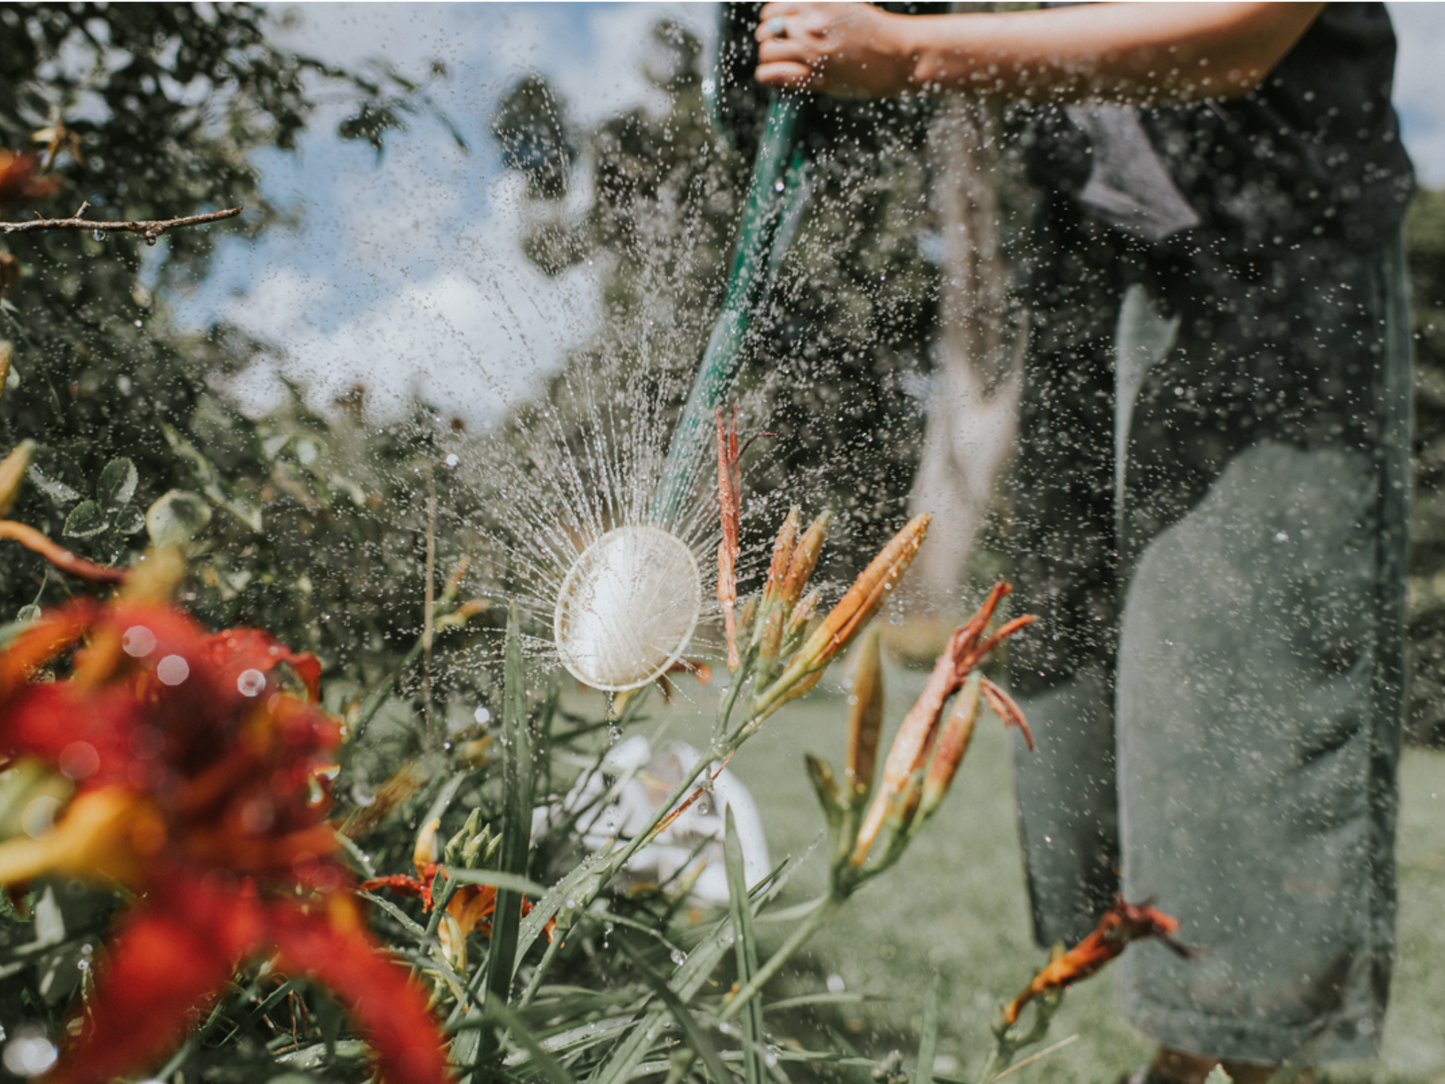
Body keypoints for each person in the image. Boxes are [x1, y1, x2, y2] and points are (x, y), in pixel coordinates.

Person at [753, 5, 1415, 1084]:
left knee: (1242, 730)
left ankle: (1248, 1055)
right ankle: (1179, 1052)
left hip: (1270, 243)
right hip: (1095, 253)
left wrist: (914, 54)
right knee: (1090, 719)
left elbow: (1245, 28)